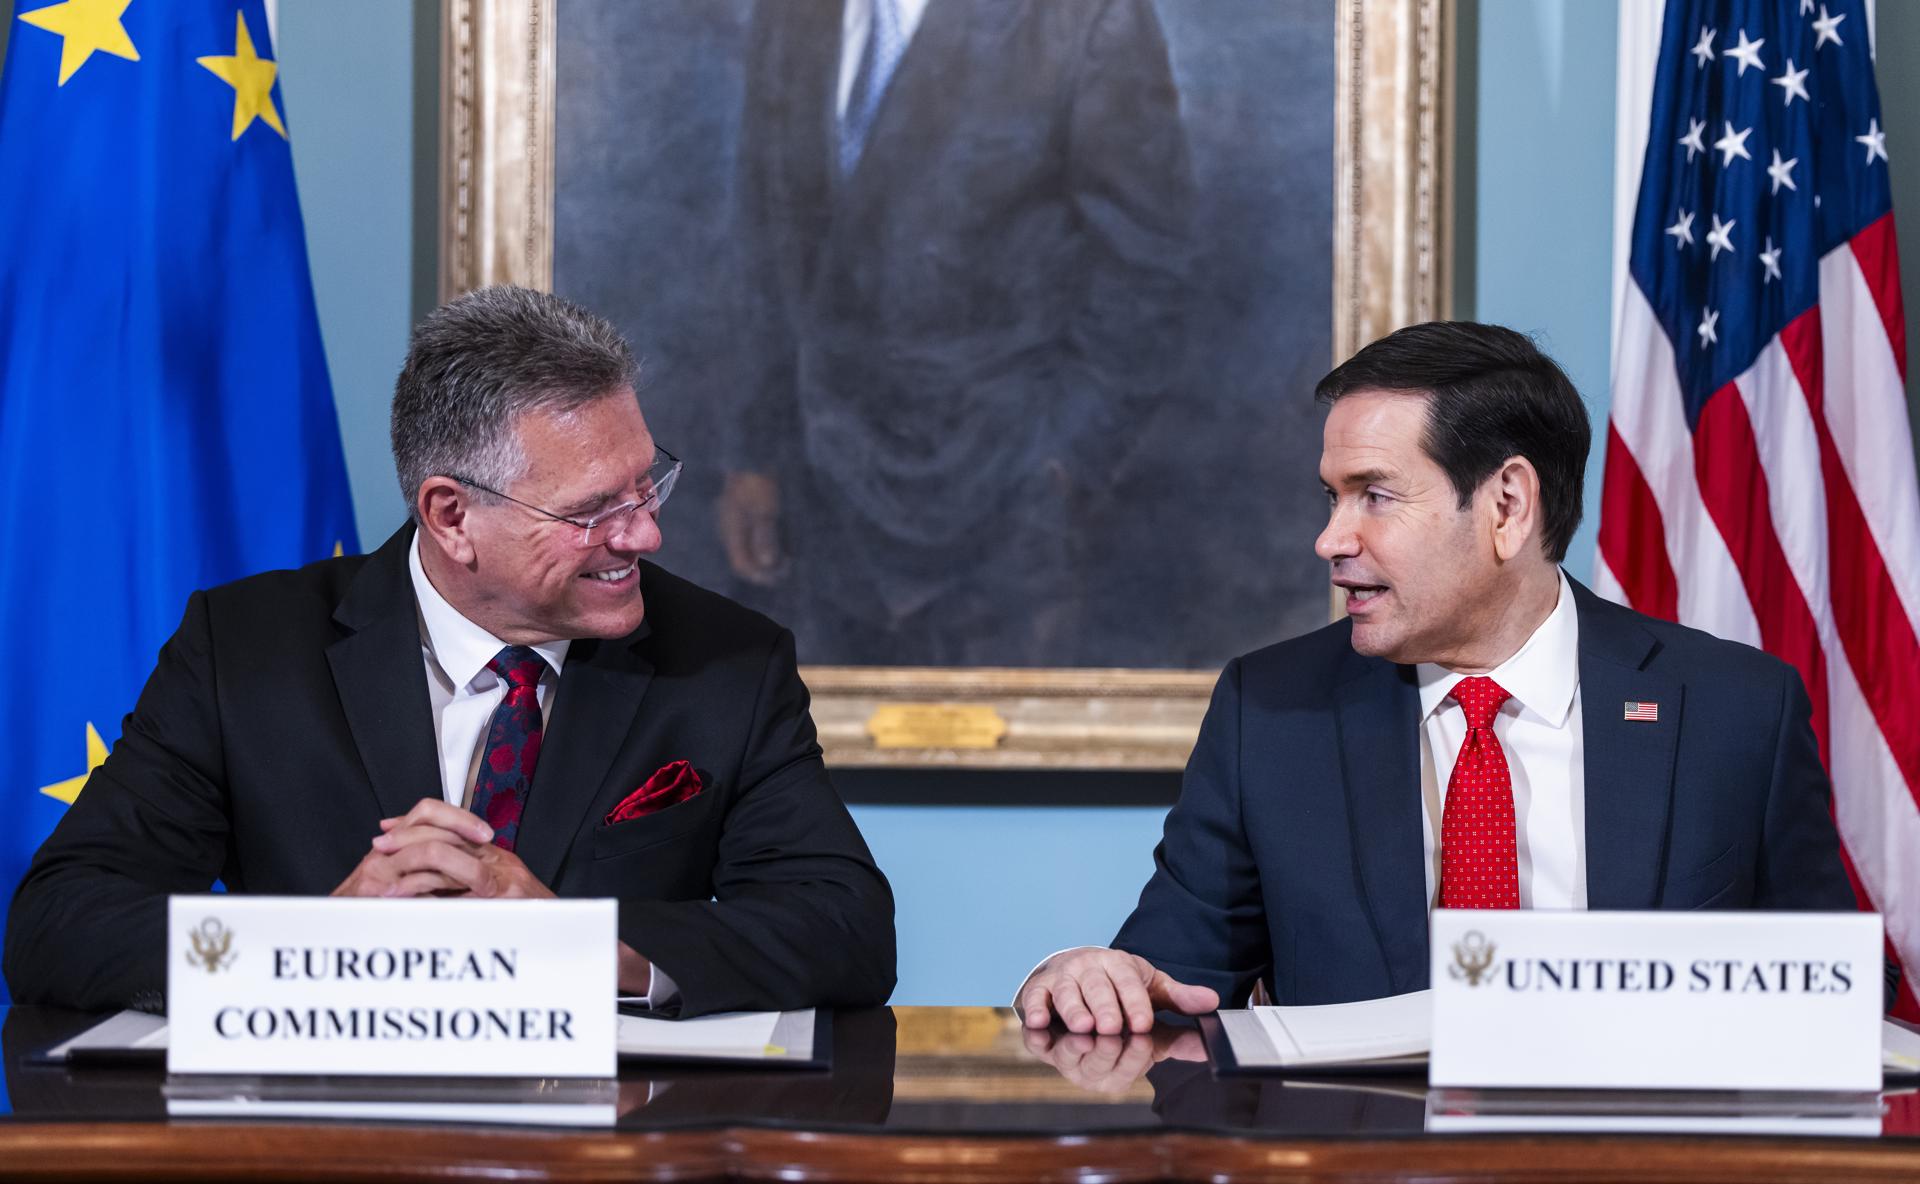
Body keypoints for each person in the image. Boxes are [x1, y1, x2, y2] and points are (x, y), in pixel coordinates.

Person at [5, 286, 896, 1016]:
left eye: (647, 484)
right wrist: (314, 944)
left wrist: (580, 943)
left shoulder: (726, 663)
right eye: (594, 511)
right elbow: (57, 924)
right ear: (452, 517)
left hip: (606, 1182)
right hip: (316, 1171)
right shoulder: (245, 653)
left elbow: (847, 928)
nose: (647, 533)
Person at [1016, 321, 1858, 1035]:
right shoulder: (1269, 712)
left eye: (1374, 496)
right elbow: (1170, 978)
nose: (1332, 538)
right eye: (1331, 497)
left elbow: (1837, 999)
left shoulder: (1733, 709)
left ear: (1507, 505)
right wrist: (1083, 976)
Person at [718, 0, 1193, 664]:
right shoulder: (793, 14)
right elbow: (763, 240)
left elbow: (1146, 268)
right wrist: (754, 456)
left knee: (986, 764)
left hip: (1002, 508)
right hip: (815, 505)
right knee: (822, 760)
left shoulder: (1085, 16)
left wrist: (1061, 471)